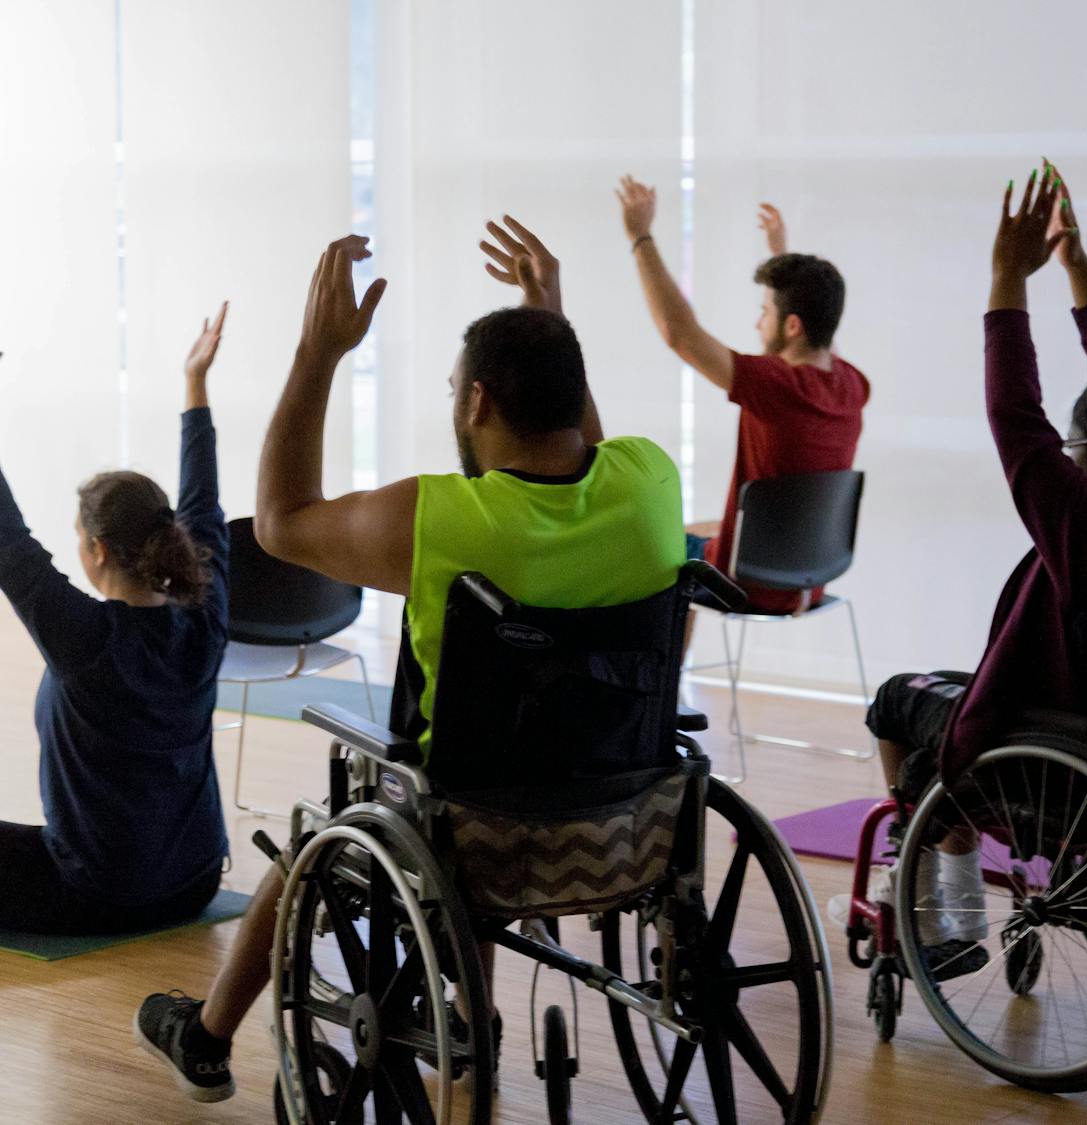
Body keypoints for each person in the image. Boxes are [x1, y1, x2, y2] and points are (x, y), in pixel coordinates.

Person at [135, 220, 685, 1104]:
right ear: (574, 393)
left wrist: (317, 353)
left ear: (474, 405)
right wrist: (551, 322)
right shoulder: (651, 481)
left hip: (473, 822)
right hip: (626, 809)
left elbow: (279, 522)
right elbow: (593, 453)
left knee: (332, 814)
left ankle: (206, 1034)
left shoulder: (440, 520)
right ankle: (472, 1011)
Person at [864, 165, 1087, 977]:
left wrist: (1005, 279)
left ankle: (944, 902)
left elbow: (1015, 419)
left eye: (1077, 449)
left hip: (1069, 755)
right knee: (943, 695)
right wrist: (1075, 267)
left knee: (900, 701)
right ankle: (947, 877)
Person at [0, 304, 230, 936]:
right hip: (195, 883)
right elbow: (204, 506)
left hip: (98, 893)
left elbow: (9, 542)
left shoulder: (87, 639)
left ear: (96, 550)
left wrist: (194, 385)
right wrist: (195, 385)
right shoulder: (203, 620)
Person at [616, 178, 870, 614]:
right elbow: (817, 333)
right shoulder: (851, 385)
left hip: (746, 582)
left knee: (640, 546)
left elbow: (680, 334)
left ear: (791, 325)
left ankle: (663, 675)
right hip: (806, 579)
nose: (757, 325)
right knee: (698, 530)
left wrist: (640, 236)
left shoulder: (775, 385)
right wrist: (782, 256)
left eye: (764, 312)